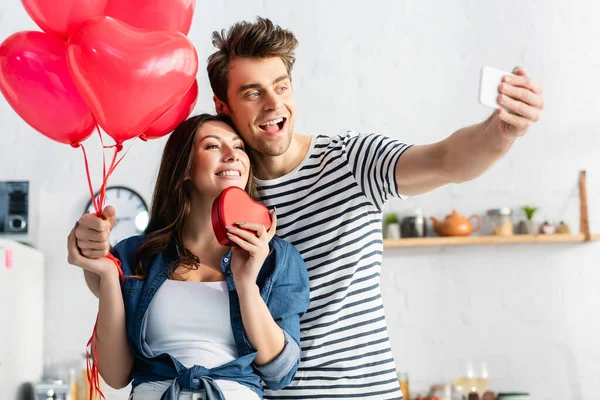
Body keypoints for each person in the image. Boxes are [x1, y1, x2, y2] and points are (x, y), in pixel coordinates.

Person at [74, 18, 545, 400]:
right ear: (223, 106)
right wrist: (91, 255)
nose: (274, 103)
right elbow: (142, 274)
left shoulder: (351, 161)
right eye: (253, 92)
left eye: (281, 86)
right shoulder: (221, 186)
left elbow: (446, 161)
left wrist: (501, 131)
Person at [67, 113, 310, 400]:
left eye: (239, 147)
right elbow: (115, 375)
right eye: (212, 146)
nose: (233, 155)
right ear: (183, 168)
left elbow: (280, 373)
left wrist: (246, 285)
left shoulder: (276, 259)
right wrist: (107, 274)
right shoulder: (134, 255)